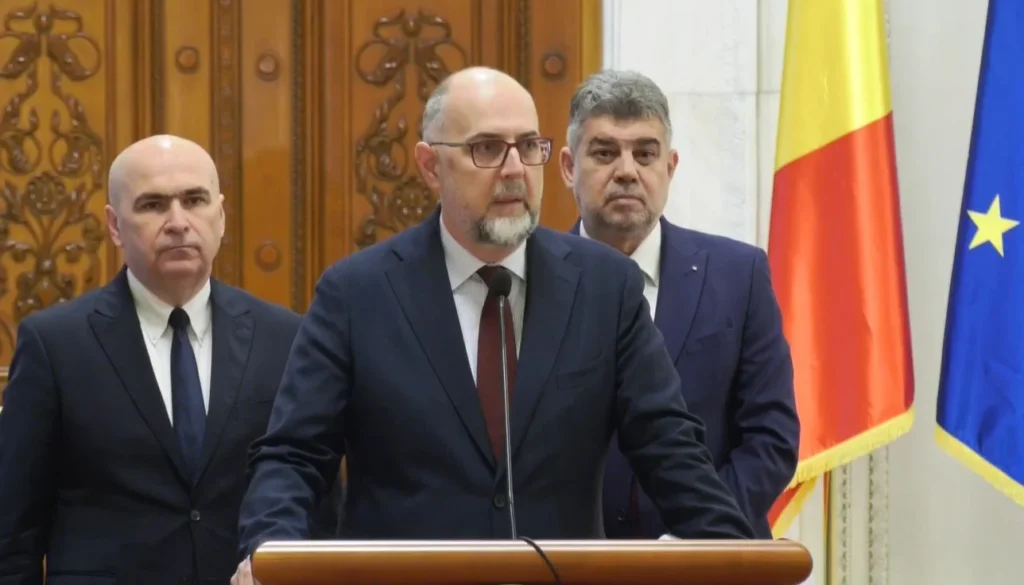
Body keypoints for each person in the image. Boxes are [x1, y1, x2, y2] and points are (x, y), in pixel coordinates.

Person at [231, 65, 753, 585]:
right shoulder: (356, 293)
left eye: (528, 147)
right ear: (431, 166)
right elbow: (295, 456)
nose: (514, 170)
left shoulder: (605, 287)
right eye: (486, 149)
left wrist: (735, 553)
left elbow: (669, 446)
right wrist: (266, 554)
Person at [0, 135, 334, 584]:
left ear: (220, 216)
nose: (178, 222)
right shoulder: (55, 344)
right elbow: (14, 529)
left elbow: (319, 502)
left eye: (194, 200)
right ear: (115, 226)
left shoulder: (285, 337)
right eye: (153, 205)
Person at [559, 70, 800, 539]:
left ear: (670, 167)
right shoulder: (531, 278)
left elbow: (770, 436)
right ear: (569, 167)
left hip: (711, 557)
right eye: (604, 153)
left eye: (645, 154)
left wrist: (699, 538)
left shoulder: (739, 274)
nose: (626, 171)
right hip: (567, 559)